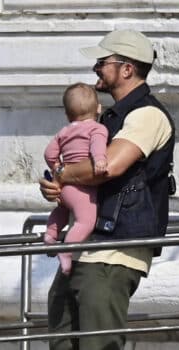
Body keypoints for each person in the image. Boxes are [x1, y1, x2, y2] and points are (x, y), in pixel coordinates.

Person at [39, 29, 175, 350]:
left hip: (114, 253)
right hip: (87, 247)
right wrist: (59, 188)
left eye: (103, 62)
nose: (96, 68)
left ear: (127, 69)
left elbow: (108, 167)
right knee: (60, 341)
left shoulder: (147, 115)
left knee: (97, 346)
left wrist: (62, 174)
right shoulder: (109, 118)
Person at [43, 82, 108, 275]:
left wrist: (55, 167)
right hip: (82, 188)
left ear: (67, 114)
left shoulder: (63, 132)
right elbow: (97, 146)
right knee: (85, 221)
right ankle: (66, 251)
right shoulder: (97, 129)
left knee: (62, 209)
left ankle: (50, 234)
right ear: (99, 108)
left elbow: (49, 153)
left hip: (64, 185)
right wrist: (99, 161)